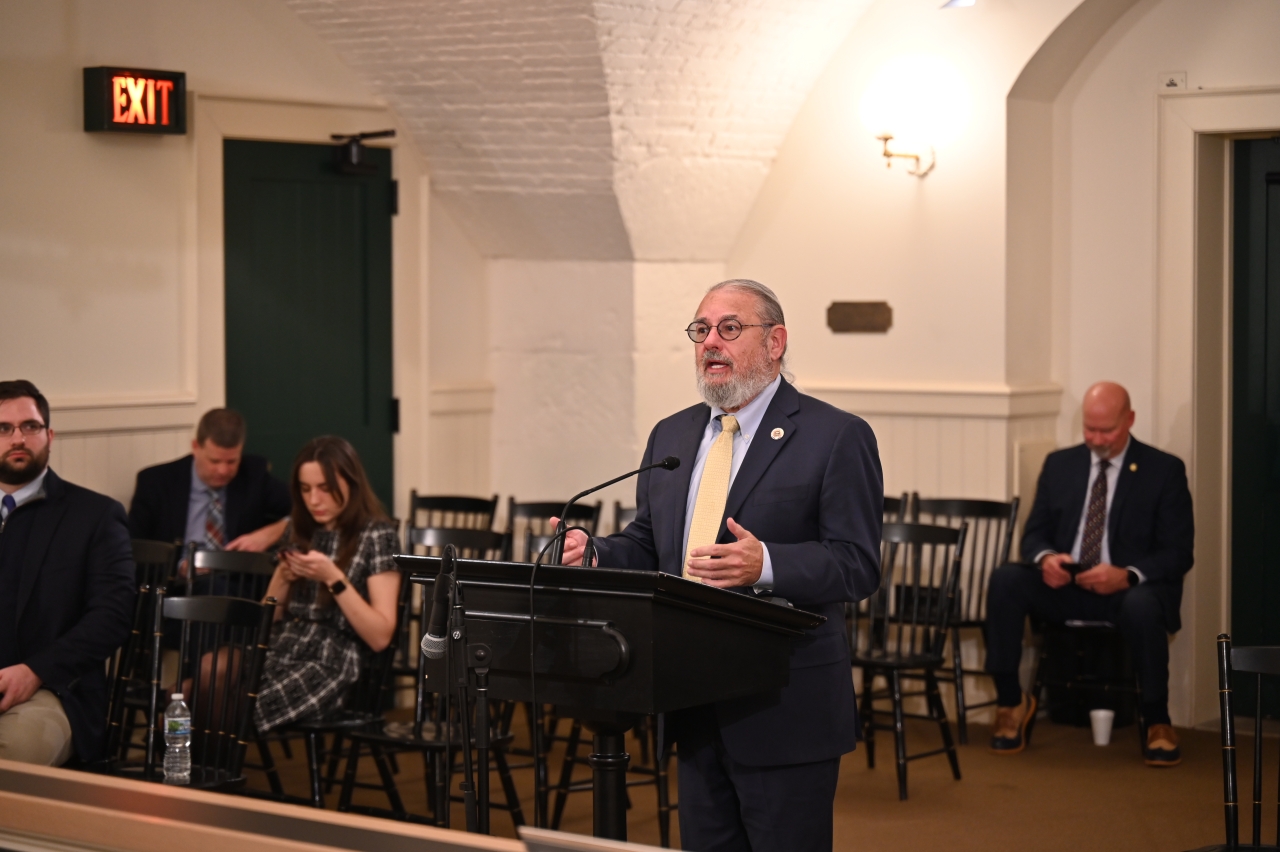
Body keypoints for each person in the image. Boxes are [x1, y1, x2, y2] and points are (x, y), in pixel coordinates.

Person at [556, 280, 882, 852]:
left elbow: (857, 565)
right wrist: (599, 552)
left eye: (730, 328)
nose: (711, 342)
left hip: (784, 706)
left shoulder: (836, 436)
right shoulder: (674, 433)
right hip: (693, 698)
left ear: (775, 341)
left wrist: (769, 563)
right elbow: (651, 543)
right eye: (701, 330)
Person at [984, 381, 1194, 767]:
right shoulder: (1061, 464)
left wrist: (1128, 574)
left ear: (1129, 420)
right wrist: (1047, 559)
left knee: (1144, 604)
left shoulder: (1163, 471)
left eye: (1107, 430)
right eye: (1089, 428)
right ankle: (1011, 702)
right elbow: (1034, 534)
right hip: (1069, 584)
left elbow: (1178, 552)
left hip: (1125, 592)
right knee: (1006, 580)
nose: (1096, 438)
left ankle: (1157, 720)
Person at [0, 380, 135, 765]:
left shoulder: (95, 516)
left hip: (55, 688)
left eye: (30, 426)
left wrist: (35, 671)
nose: (18, 438)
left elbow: (113, 616)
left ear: (49, 435)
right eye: (3, 428)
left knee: (12, 755)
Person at [252, 435, 400, 732]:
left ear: (350, 484)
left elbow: (380, 636)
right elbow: (264, 623)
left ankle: (185, 773)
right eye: (305, 490)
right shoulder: (298, 528)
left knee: (233, 707)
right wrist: (281, 577)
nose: (314, 501)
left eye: (325, 489)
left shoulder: (376, 535)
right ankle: (182, 772)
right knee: (202, 687)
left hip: (330, 660)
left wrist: (333, 578)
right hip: (282, 647)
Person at [128, 408, 292, 561]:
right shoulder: (156, 483)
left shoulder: (253, 476)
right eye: (214, 461)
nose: (222, 470)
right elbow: (134, 547)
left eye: (231, 461)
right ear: (195, 447)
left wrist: (272, 533)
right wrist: (178, 568)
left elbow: (307, 511)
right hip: (178, 582)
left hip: (236, 581)